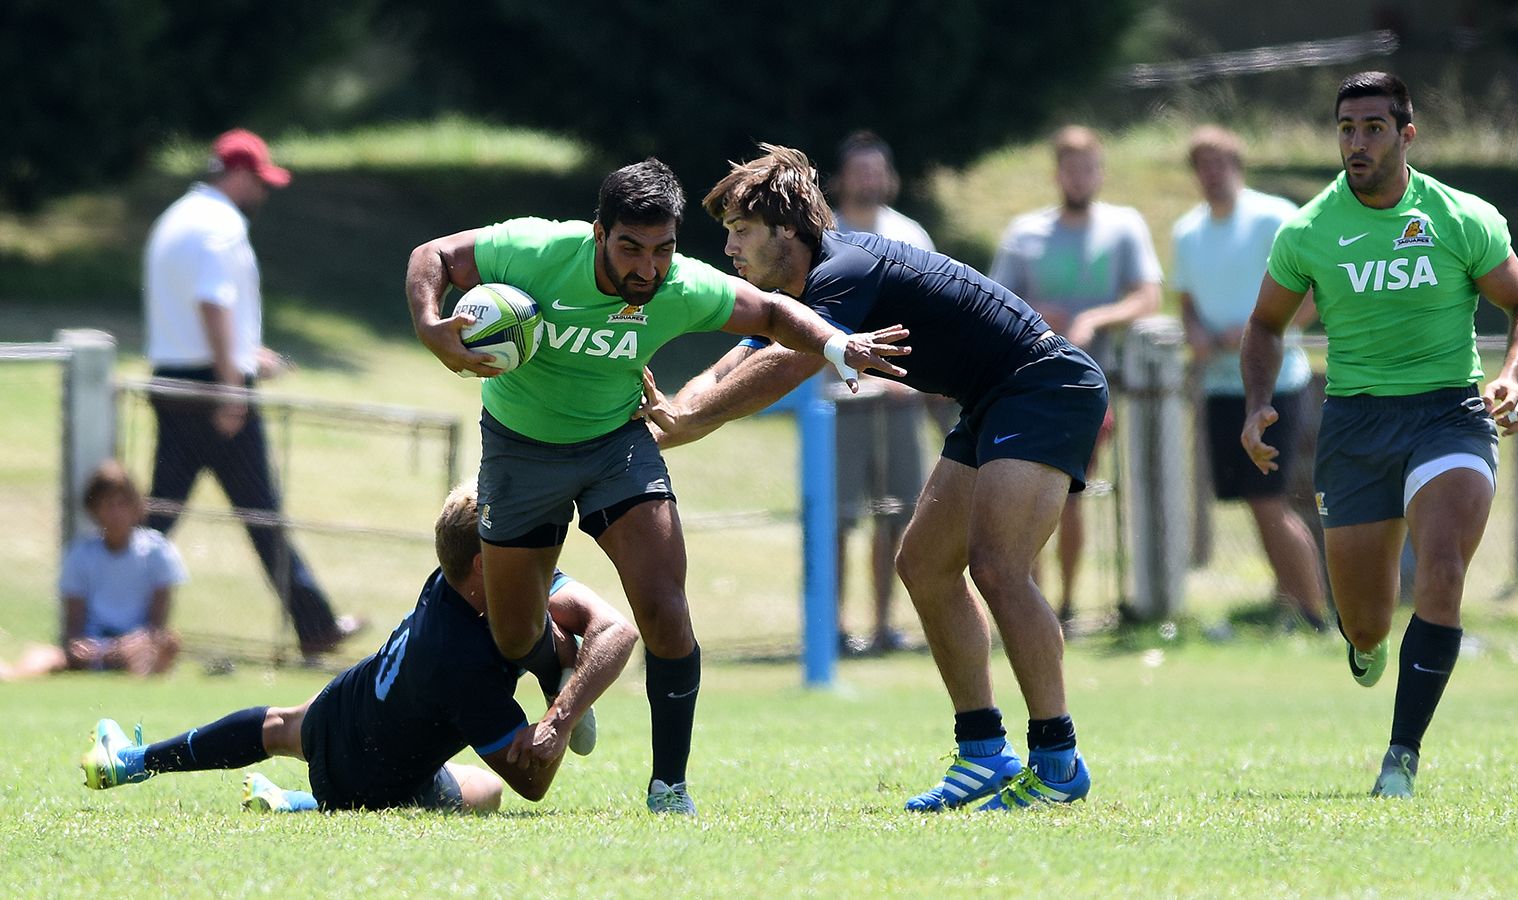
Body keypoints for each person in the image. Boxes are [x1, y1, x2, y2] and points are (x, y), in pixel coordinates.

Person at [404, 158, 905, 814]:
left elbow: (776, 314)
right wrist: (429, 325)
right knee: (511, 632)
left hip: (617, 447)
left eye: (663, 250)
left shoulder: (682, 287)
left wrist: (840, 347)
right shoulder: (533, 250)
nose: (647, 269)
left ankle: (669, 786)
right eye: (630, 249)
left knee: (667, 609)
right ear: (597, 233)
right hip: (518, 452)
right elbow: (432, 255)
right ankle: (557, 663)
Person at [644, 144, 1108, 812]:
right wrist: (668, 422)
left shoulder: (845, 268)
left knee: (998, 568)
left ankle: (1058, 760)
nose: (730, 250)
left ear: (785, 230)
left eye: (740, 231)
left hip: (1046, 385)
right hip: (993, 398)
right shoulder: (798, 293)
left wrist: (694, 423)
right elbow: (734, 362)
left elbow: (786, 367)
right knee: (923, 563)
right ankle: (983, 753)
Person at [1240, 72, 1518, 798]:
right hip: (1355, 424)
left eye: (1374, 128)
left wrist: (1511, 375)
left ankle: (1400, 758)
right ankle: (1363, 645)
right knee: (1367, 622)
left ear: (1405, 135)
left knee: (1441, 569)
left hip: (1449, 412)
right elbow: (1264, 324)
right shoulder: (1309, 229)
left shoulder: (1460, 216)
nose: (1358, 142)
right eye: (1347, 129)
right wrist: (1258, 402)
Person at [81, 485, 637, 814]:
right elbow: (533, 783)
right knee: (487, 790)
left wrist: (563, 688)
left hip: (345, 707)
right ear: (482, 565)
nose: (528, 551)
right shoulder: (462, 659)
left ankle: (132, 762)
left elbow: (615, 628)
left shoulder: (461, 578)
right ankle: (306, 804)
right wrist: (564, 709)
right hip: (375, 778)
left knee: (278, 726)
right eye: (512, 542)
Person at [142, 128, 361, 658]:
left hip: (173, 378)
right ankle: (315, 627)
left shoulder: (177, 217)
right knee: (261, 511)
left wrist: (244, 354)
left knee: (161, 513)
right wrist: (231, 385)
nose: (261, 193)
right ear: (237, 175)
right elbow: (213, 303)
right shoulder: (221, 225)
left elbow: (190, 313)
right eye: (258, 181)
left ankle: (116, 618)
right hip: (211, 389)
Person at [988, 125, 1162, 627]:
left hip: (1092, 388)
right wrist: (1036, 312)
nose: (1080, 177)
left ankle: (1064, 606)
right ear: (1057, 173)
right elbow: (995, 302)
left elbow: (1146, 296)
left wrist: (1095, 319)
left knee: (1068, 497)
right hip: (1030, 388)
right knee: (1025, 498)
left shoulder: (1123, 227)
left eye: (1089, 167)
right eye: (1071, 167)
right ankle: (1028, 599)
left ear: (1099, 172)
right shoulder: (1025, 233)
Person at [1172, 125, 1328, 633]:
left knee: (1269, 503)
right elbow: (1187, 301)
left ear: (1237, 164)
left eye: (1220, 162)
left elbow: (1313, 288)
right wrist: (1196, 332)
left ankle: (1315, 616)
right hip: (1220, 385)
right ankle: (1287, 605)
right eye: (1203, 164)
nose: (1212, 173)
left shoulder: (1274, 216)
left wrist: (1266, 331)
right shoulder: (1187, 231)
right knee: (1254, 505)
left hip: (1276, 384)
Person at [828, 131, 935, 655]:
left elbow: (930, 316)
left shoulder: (910, 235)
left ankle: (885, 626)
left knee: (897, 515)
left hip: (898, 402)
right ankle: (832, 629)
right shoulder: (825, 235)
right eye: (859, 170)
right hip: (838, 402)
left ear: (889, 177)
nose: (869, 180)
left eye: (877, 170)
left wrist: (904, 380)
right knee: (836, 518)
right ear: (841, 179)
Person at [0, 461, 184, 681]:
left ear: (136, 507)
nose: (116, 513)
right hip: (94, 647)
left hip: (137, 645)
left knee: (166, 643)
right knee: (45, 656)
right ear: (95, 510)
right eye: (108, 504)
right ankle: (12, 675)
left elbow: (157, 626)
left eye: (122, 504)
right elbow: (73, 631)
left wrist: (134, 644)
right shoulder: (80, 556)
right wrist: (96, 650)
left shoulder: (157, 552)